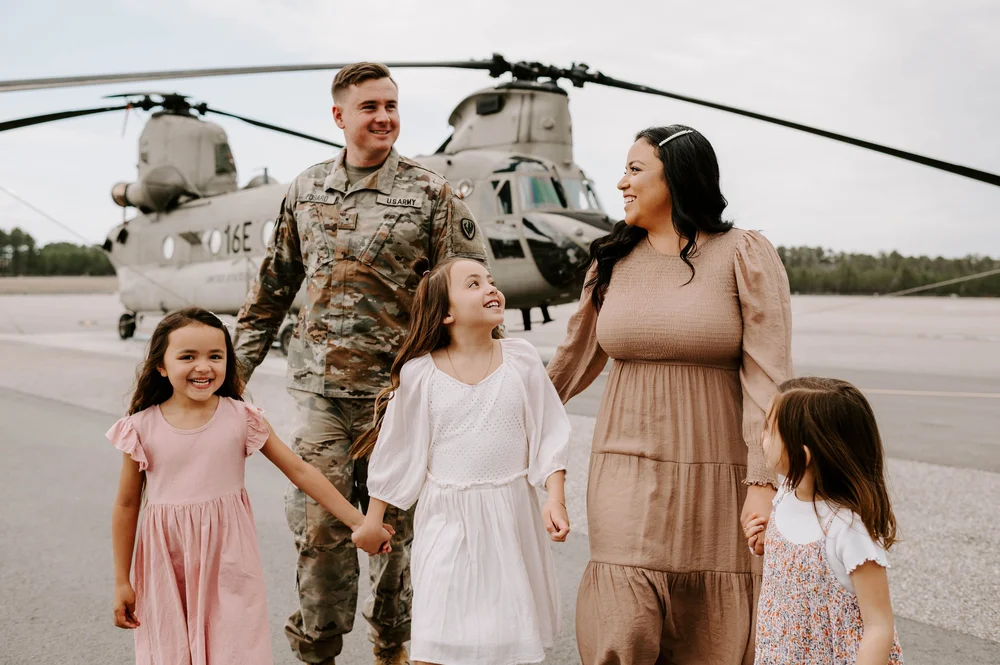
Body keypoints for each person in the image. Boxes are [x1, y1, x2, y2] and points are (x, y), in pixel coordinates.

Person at [233, 62, 489, 665]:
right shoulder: (306, 189)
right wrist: (230, 380)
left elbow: (473, 292)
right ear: (339, 116)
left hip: (401, 398)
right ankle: (316, 650)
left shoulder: (431, 194)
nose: (384, 118)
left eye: (392, 106)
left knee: (394, 537)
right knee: (320, 531)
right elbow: (270, 294)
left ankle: (392, 646)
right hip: (321, 396)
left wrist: (474, 389)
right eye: (370, 106)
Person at [546, 125, 794, 664]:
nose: (621, 183)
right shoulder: (611, 260)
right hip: (625, 470)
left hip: (723, 470)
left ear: (676, 177)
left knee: (711, 630)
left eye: (635, 170)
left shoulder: (743, 254)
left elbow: (767, 380)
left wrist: (762, 480)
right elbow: (568, 364)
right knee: (623, 620)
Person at [108, 308, 394, 665]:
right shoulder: (140, 428)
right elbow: (126, 505)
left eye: (216, 356)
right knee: (171, 652)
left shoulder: (240, 417)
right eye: (187, 357)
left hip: (228, 558)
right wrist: (123, 580)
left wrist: (358, 522)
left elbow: (300, 470)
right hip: (166, 561)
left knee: (236, 649)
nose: (203, 367)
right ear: (161, 366)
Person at [351, 256, 572, 665]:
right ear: (446, 312)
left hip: (510, 520)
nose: (490, 287)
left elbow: (549, 431)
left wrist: (553, 497)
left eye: (490, 280)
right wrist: (372, 519)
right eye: (473, 284)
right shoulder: (419, 374)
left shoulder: (521, 359)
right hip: (445, 520)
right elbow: (397, 449)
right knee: (436, 636)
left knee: (507, 641)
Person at [746, 377, 904, 664]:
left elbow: (879, 625)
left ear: (802, 455)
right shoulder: (785, 494)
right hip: (780, 652)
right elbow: (797, 562)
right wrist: (766, 541)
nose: (762, 436)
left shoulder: (847, 529)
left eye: (770, 429)